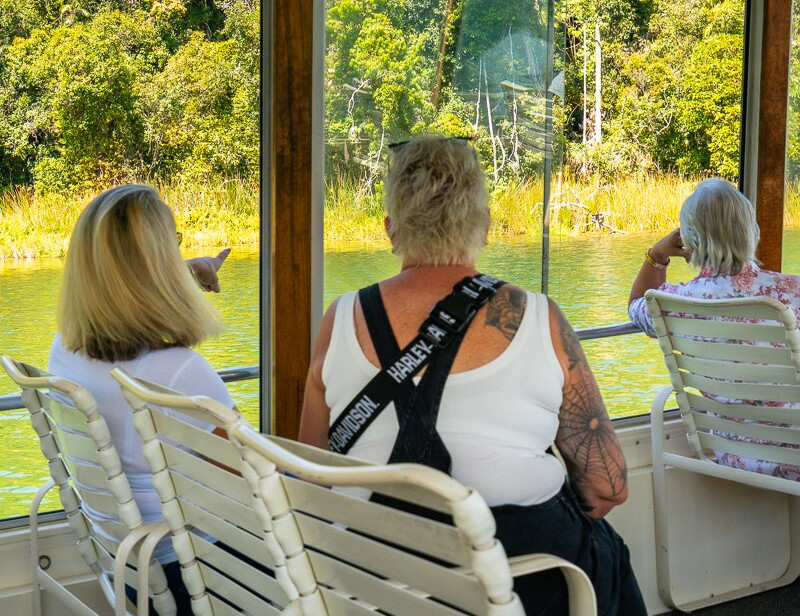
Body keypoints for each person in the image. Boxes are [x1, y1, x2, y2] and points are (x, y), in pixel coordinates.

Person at [298, 136, 646, 616]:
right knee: (606, 553)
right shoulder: (538, 317)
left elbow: (313, 477)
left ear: (390, 229)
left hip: (375, 581)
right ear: (482, 227)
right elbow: (608, 486)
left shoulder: (339, 319)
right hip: (519, 580)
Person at [49, 184, 234, 615]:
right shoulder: (181, 373)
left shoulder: (64, 349)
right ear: (157, 263)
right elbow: (253, 486)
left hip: (130, 567)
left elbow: (119, 297)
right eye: (172, 246)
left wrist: (183, 273)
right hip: (191, 578)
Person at [628, 176, 800, 480]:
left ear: (689, 241)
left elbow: (635, 306)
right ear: (751, 231)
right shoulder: (790, 292)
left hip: (731, 454)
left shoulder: (674, 303)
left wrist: (657, 254)